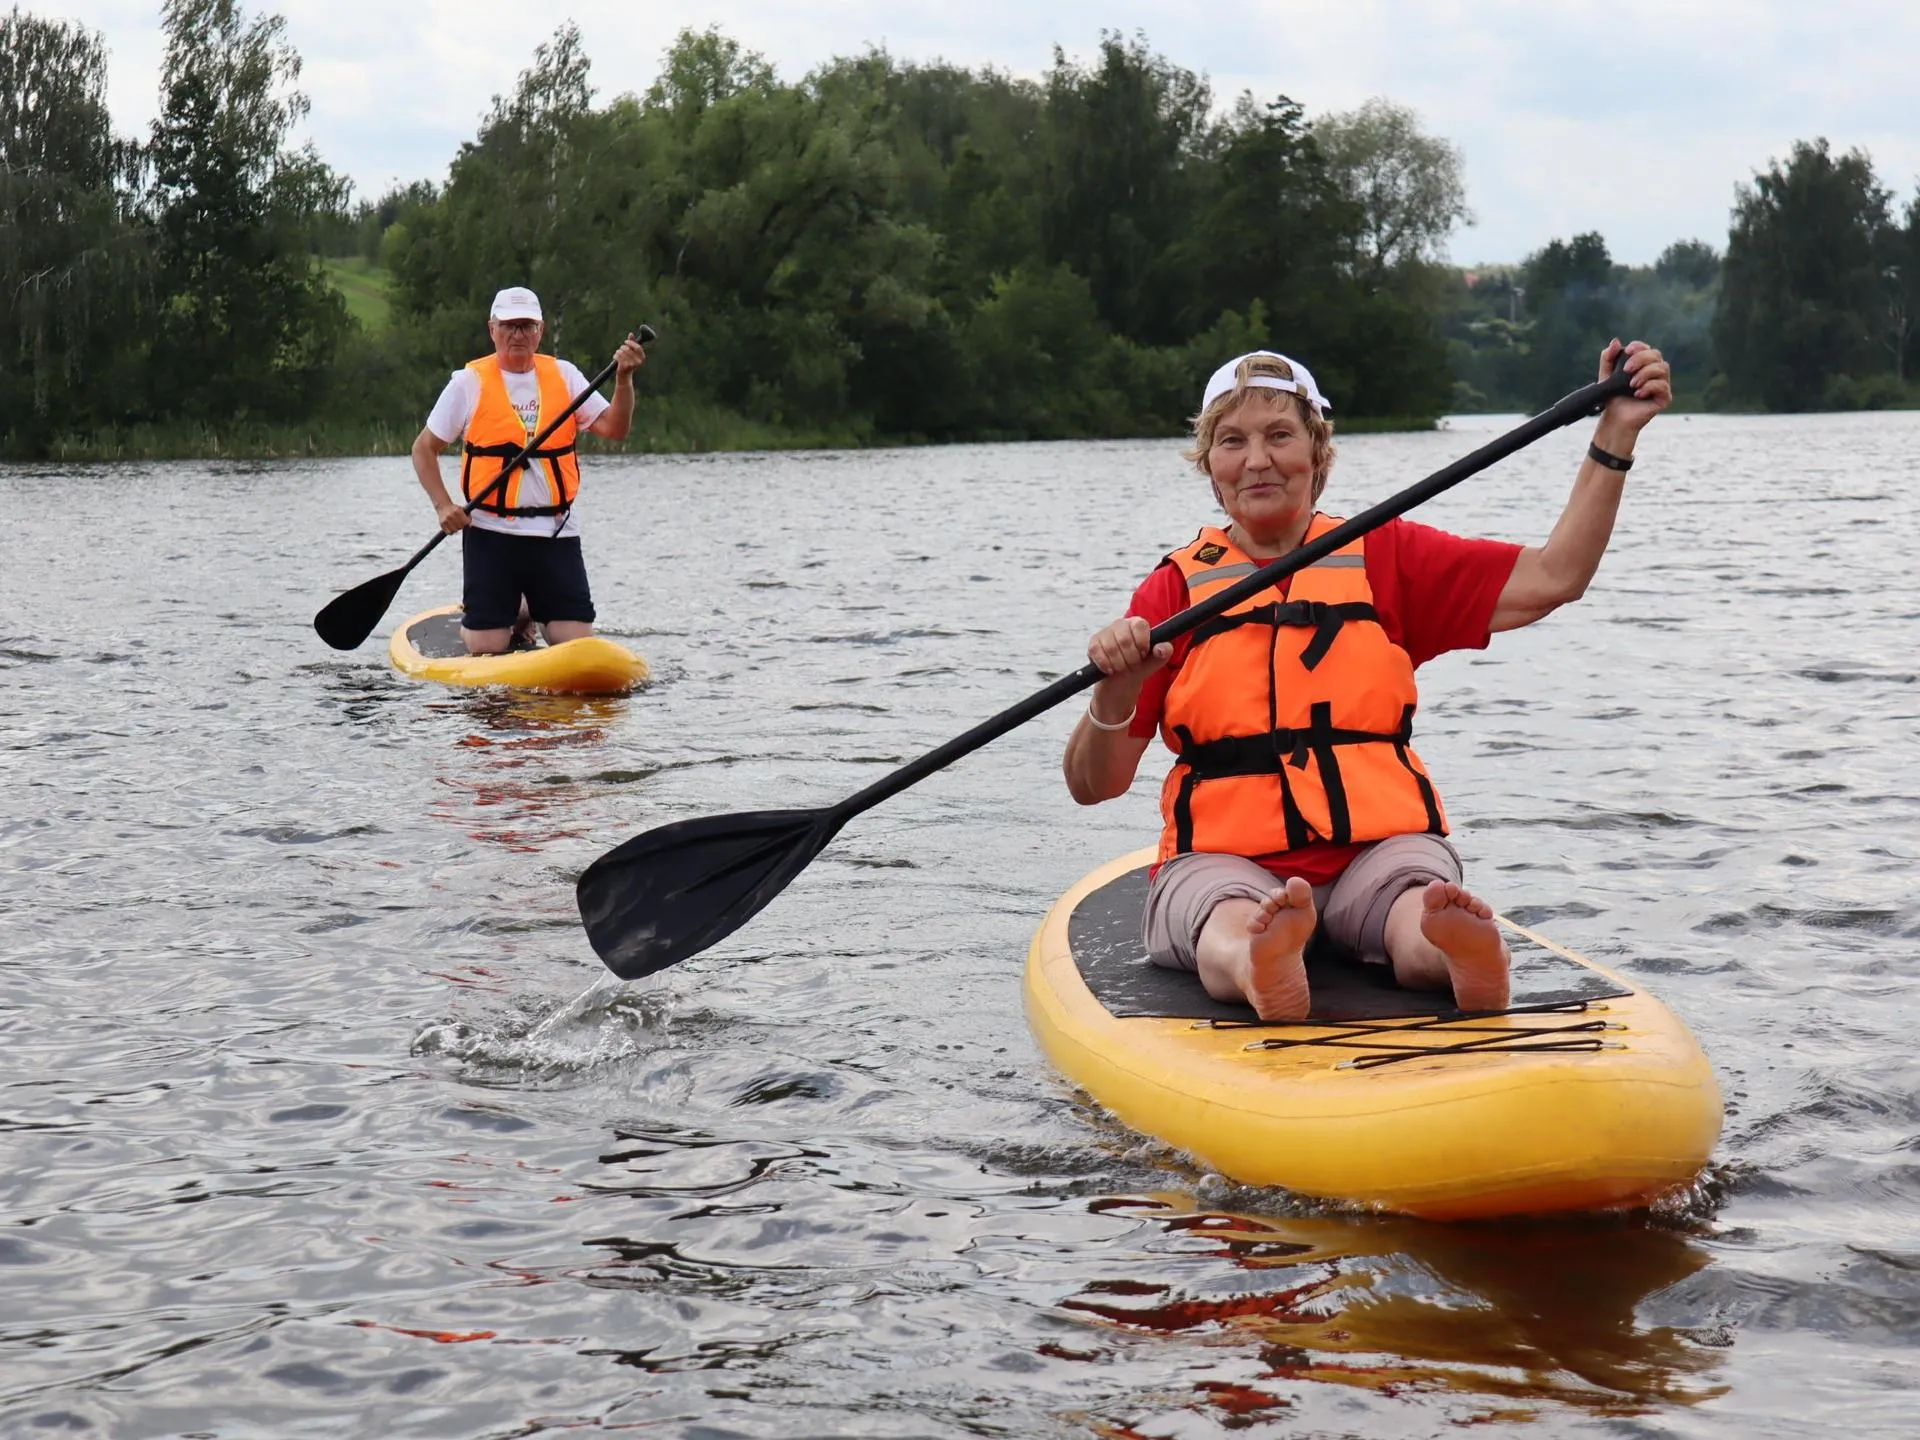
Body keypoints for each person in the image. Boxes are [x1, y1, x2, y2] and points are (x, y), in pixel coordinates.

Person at [1064, 341, 1672, 1021]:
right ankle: (1265, 962)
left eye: (1279, 435)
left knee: (1411, 901)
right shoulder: (1173, 592)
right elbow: (1095, 786)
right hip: (1228, 861)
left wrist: (1614, 435)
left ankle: (1449, 951)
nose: (1257, 459)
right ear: (1211, 468)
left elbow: (1556, 576)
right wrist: (1113, 690)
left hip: (1376, 852)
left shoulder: (1386, 556)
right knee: (1225, 918)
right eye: (1232, 441)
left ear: (1318, 453)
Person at [411, 287, 647, 654]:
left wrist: (624, 380)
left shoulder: (565, 376)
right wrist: (443, 505)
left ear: (540, 330)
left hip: (556, 532)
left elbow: (615, 428)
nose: (517, 334)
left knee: (576, 643)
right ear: (492, 329)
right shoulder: (468, 383)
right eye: (508, 325)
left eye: (526, 326)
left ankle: (527, 608)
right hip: (491, 532)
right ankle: (511, 612)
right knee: (487, 646)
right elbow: (424, 449)